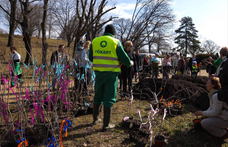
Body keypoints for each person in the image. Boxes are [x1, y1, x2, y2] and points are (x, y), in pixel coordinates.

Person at [89, 24, 132, 131]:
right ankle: (106, 125)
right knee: (109, 97)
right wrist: (129, 63)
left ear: (104, 32)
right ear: (113, 34)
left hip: (98, 74)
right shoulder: (115, 42)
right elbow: (124, 58)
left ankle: (95, 119)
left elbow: (91, 57)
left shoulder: (94, 41)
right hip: (111, 75)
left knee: (98, 95)